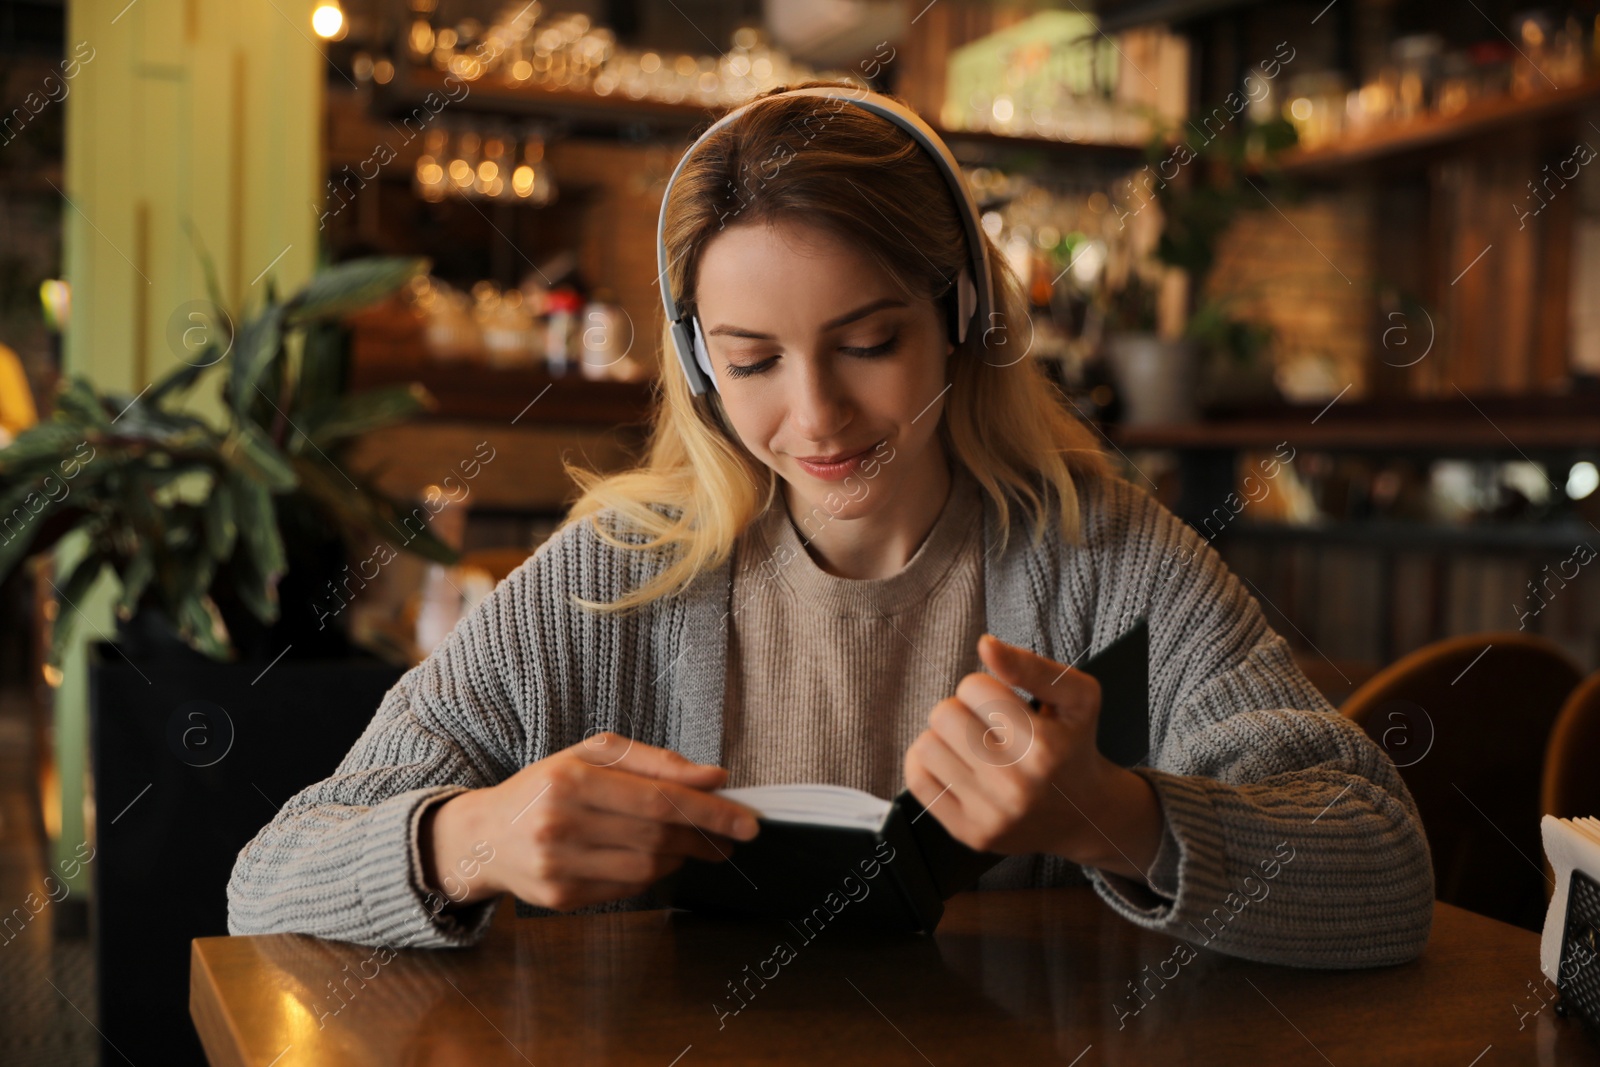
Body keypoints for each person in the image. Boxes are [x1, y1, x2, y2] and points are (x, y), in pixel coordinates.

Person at [227, 82, 1433, 969]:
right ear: (698, 366)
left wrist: (1119, 819)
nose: (815, 418)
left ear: (959, 314)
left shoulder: (1102, 557)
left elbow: (1386, 868)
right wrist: (469, 839)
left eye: (868, 344)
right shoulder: (613, 578)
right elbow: (266, 878)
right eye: (752, 362)